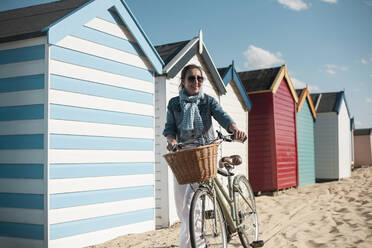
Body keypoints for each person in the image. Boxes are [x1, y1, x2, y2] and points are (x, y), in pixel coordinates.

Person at [163, 64, 246, 248]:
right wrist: (171, 141)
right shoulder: (174, 103)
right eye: (191, 78)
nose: (196, 82)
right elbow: (170, 129)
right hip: (183, 156)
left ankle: (196, 245)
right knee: (181, 209)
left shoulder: (208, 101)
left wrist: (235, 130)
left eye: (200, 78)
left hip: (203, 154)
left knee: (191, 206)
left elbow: (222, 117)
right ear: (183, 81)